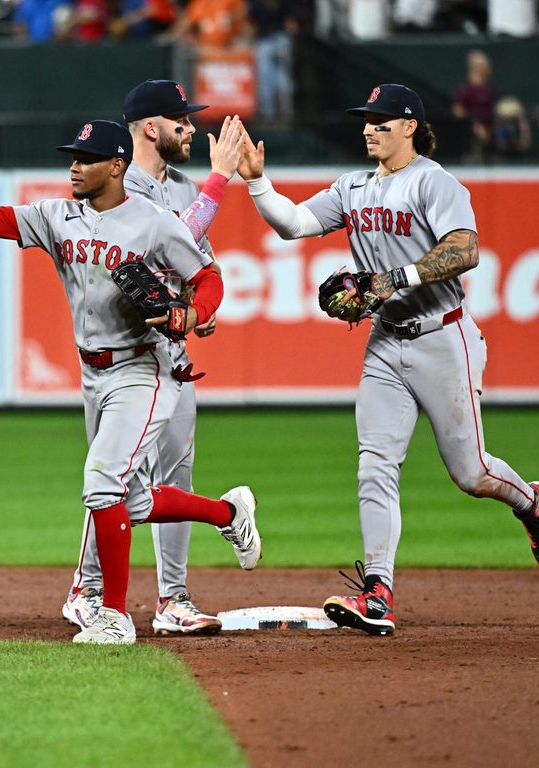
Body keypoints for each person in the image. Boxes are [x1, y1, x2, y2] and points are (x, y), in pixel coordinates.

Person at [0, 118, 261, 645]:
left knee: (101, 485)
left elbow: (208, 277)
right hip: (93, 373)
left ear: (117, 165)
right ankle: (228, 512)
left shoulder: (153, 222)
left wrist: (191, 315)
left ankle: (113, 615)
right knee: (127, 500)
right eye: (72, 157)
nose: (74, 166)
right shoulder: (57, 216)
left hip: (145, 367)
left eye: (85, 158)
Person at [238, 83, 539, 636]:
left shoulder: (433, 181)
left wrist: (393, 279)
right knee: (375, 463)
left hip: (443, 339)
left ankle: (532, 503)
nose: (368, 127)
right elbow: (294, 225)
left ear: (408, 127)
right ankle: (378, 592)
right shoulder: (353, 187)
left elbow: (465, 249)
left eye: (380, 120)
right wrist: (257, 181)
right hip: (385, 341)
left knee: (471, 473)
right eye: (366, 120)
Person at [63, 79, 248, 636]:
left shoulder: (187, 185)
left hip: (172, 353)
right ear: (151, 127)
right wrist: (220, 182)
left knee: (172, 471)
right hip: (124, 356)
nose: (191, 128)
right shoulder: (119, 182)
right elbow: (163, 237)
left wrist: (196, 311)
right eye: (181, 120)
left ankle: (174, 597)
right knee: (112, 477)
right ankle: (88, 589)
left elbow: (196, 264)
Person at [452, 49, 497, 161]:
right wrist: (475, 125)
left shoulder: (489, 89)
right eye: (481, 66)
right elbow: (457, 110)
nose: (486, 69)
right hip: (473, 128)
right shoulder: (466, 90)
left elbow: (494, 109)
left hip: (491, 126)